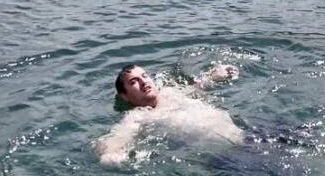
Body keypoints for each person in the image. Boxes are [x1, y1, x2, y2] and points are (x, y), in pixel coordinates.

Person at [94, 63, 242, 167]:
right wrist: (111, 153)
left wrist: (214, 76)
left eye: (144, 76)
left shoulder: (171, 92)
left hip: (245, 136)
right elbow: (119, 136)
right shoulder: (138, 116)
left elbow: (198, 87)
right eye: (134, 82)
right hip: (224, 157)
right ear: (124, 96)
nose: (144, 81)